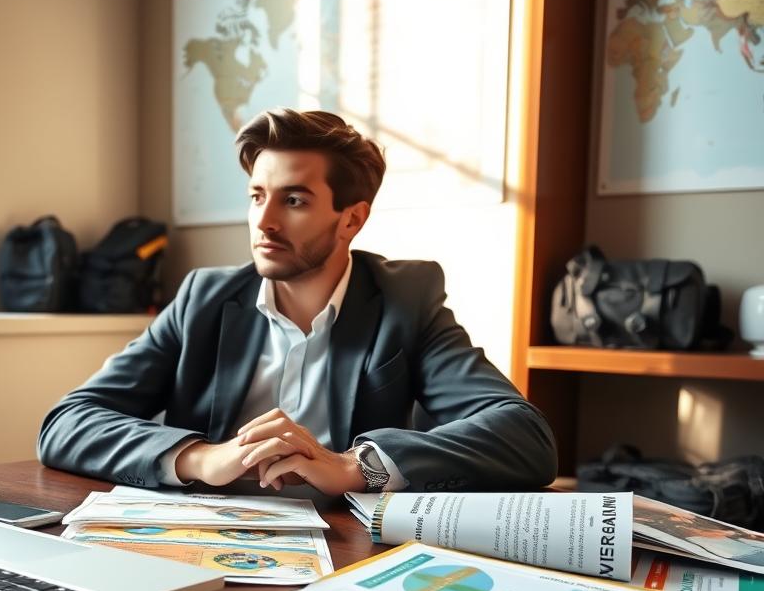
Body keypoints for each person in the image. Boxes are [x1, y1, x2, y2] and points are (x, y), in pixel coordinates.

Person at [38, 109, 557, 495]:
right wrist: (199, 457)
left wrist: (355, 466)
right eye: (256, 196)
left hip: (343, 551)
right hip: (205, 541)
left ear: (351, 219)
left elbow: (524, 436)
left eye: (293, 200)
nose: (264, 221)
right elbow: (67, 422)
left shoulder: (405, 300)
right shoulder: (205, 298)